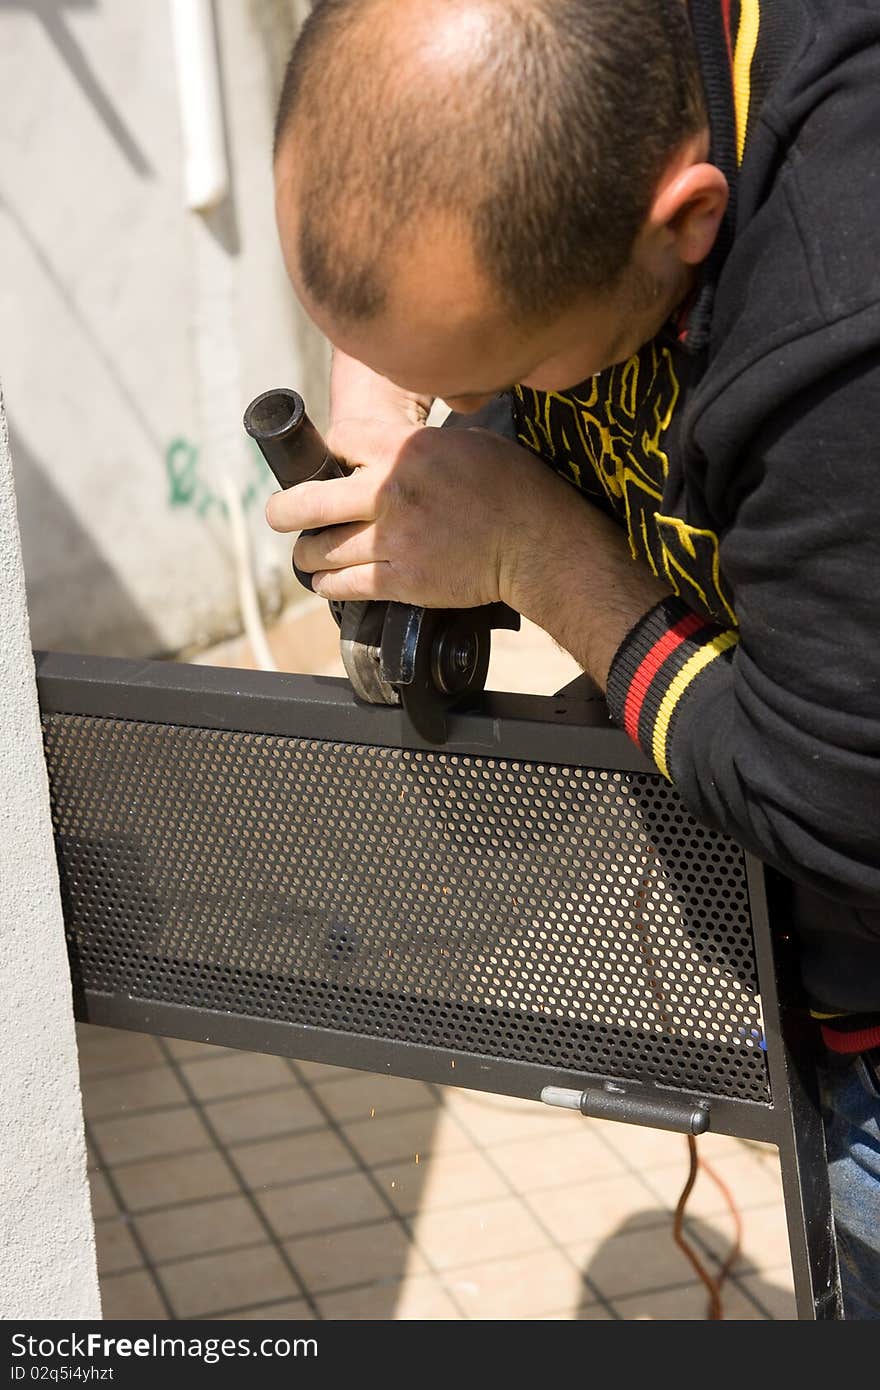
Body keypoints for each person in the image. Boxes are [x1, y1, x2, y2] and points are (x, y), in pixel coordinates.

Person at [266, 0, 880, 1317]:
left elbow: (840, 808)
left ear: (686, 220)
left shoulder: (843, 313)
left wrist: (541, 559)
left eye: (528, 368)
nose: (498, 410)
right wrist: (385, 396)